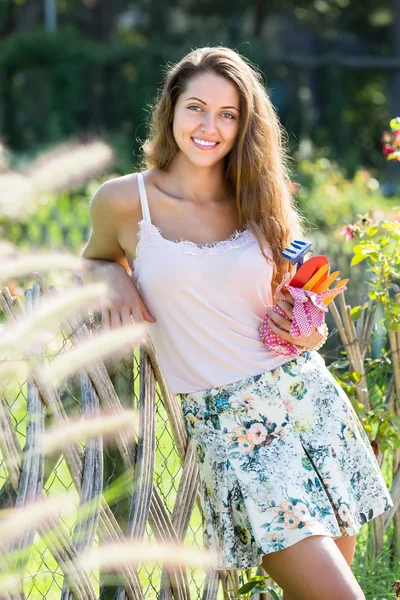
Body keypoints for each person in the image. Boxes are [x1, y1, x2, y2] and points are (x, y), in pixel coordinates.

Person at [81, 46, 393, 600]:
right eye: (197, 107)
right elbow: (95, 256)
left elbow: (302, 317)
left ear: (245, 125)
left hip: (308, 402)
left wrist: (307, 331)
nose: (210, 126)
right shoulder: (125, 201)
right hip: (233, 430)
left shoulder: (260, 200)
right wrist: (108, 273)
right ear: (171, 109)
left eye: (228, 114)